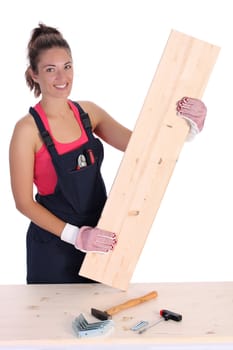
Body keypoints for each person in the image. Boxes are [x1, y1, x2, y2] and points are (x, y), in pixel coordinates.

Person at [9, 23, 207, 284]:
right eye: (50, 69)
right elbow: (23, 203)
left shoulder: (88, 113)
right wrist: (76, 236)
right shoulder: (26, 131)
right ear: (33, 74)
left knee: (102, 321)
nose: (62, 77)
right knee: (51, 321)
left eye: (67, 66)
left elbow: (144, 149)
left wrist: (187, 127)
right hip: (53, 247)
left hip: (101, 240)